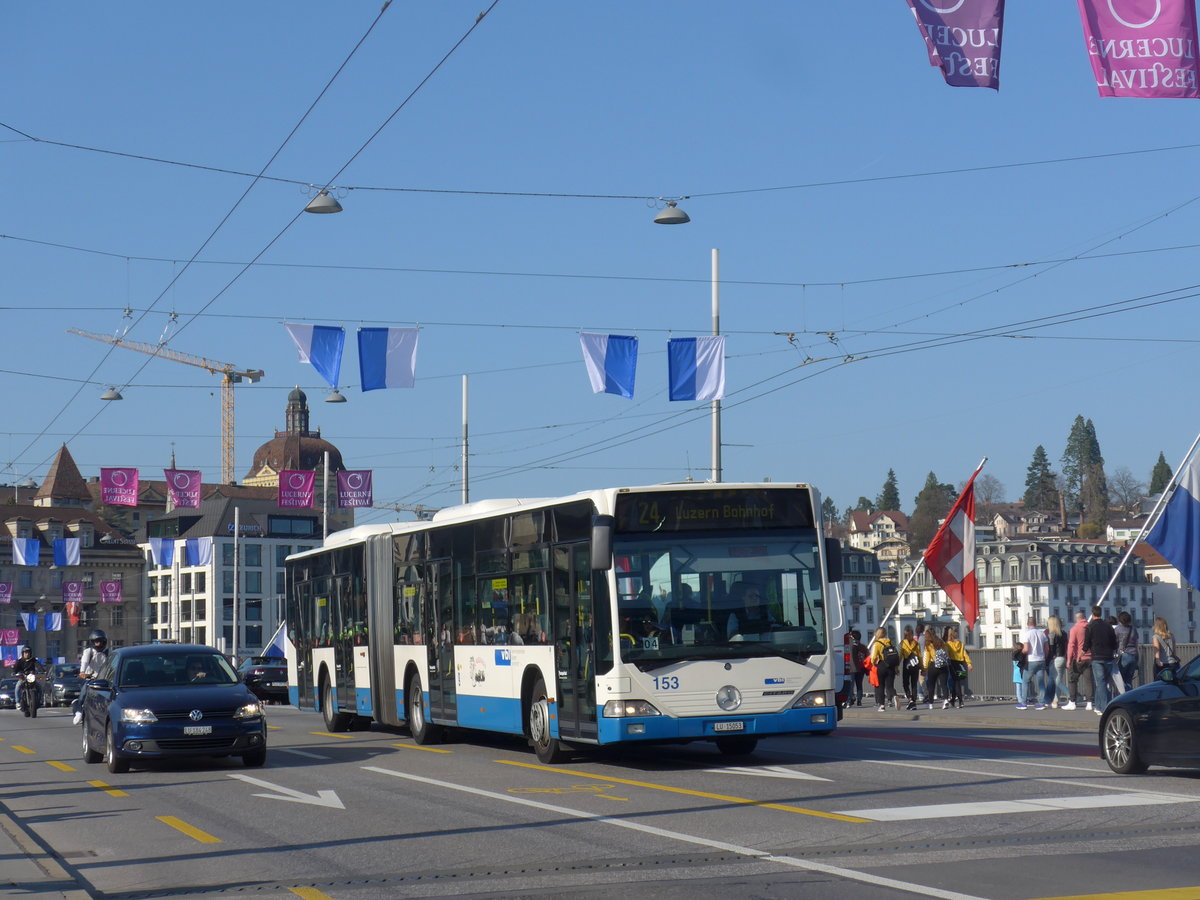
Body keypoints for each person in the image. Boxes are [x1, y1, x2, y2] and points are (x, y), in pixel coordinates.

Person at [1084, 605, 1117, 716]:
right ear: (1101, 613)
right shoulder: (1108, 626)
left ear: (1092, 614)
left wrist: (1082, 653)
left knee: (1100, 683)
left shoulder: (1090, 626)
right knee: (1103, 682)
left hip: (1097, 657)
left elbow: (1086, 643)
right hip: (1108, 657)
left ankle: (1104, 708)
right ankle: (1098, 706)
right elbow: (1114, 642)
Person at [72, 629, 108, 726]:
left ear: (104, 641)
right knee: (83, 693)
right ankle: (79, 712)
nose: (98, 644)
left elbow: (113, 665)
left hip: (105, 680)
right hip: (91, 678)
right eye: (95, 642)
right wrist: (82, 672)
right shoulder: (89, 651)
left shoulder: (109, 652)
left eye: (100, 641)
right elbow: (84, 662)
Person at [1064, 610, 1093, 711]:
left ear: (1077, 619)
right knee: (1089, 681)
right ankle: (1089, 703)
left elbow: (1071, 645)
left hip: (1078, 658)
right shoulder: (1090, 627)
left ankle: (1072, 702)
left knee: (1073, 680)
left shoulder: (1075, 629)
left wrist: (1068, 660)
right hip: (1090, 657)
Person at [1020, 616, 1049, 711]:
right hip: (1041, 660)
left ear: (1027, 624)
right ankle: (1041, 702)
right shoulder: (1042, 634)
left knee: (1025, 681)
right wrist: (1044, 657)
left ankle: (1023, 702)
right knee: (1041, 682)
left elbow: (1026, 649)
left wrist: (1021, 652)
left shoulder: (1027, 634)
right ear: (1036, 623)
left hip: (1031, 660)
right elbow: (1047, 649)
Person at [869, 627, 900, 711]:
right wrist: (896, 668)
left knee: (881, 686)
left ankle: (882, 705)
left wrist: (874, 663)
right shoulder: (890, 642)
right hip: (891, 666)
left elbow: (873, 658)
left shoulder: (877, 644)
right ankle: (894, 695)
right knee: (890, 686)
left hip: (882, 665)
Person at [943, 625, 972, 709]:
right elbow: (964, 654)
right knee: (957, 681)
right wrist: (969, 664)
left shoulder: (948, 644)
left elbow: (946, 654)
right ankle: (954, 699)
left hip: (952, 663)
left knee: (956, 682)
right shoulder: (961, 644)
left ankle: (959, 700)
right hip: (960, 663)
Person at [1044, 615, 1068, 708]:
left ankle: (1070, 695)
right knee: (1058, 680)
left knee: (1053, 680)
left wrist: (1047, 660)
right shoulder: (1064, 634)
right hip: (1063, 658)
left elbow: (1051, 649)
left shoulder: (1051, 634)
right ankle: (1055, 700)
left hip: (1054, 659)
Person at [923, 630, 949, 709]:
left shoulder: (928, 645)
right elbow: (946, 652)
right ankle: (945, 700)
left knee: (931, 685)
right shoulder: (941, 642)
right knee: (944, 684)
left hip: (933, 666)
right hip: (943, 665)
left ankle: (931, 703)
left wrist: (924, 668)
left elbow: (926, 658)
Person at [1114, 611, 1139, 693]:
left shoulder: (1117, 630)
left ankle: (1121, 699)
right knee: (1129, 679)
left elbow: (1115, 642)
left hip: (1124, 655)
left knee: (1121, 679)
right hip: (1134, 654)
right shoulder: (1133, 629)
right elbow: (1136, 642)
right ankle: (1129, 697)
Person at [13, 647, 41, 714]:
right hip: (23, 677)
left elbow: (39, 666)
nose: (27, 654)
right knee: (18, 686)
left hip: (31, 677)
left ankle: (40, 700)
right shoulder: (20, 661)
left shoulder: (33, 660)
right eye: (25, 653)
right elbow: (15, 669)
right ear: (23, 653)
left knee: (39, 687)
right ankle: (17, 702)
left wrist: (41, 671)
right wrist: (15, 673)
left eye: (28, 652)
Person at [900, 625, 922, 710]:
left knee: (905, 683)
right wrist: (922, 667)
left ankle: (910, 699)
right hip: (915, 665)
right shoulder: (916, 644)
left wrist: (896, 666)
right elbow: (920, 656)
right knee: (914, 684)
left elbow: (900, 655)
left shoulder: (903, 643)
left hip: (906, 664)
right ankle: (914, 702)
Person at [847, 629, 868, 706]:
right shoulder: (863, 647)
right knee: (859, 684)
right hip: (861, 668)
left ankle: (850, 699)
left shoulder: (851, 646)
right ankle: (859, 700)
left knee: (851, 684)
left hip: (852, 668)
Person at [1012, 637, 1027, 707]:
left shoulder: (1013, 655)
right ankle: (1024, 698)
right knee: (1024, 685)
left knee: (1018, 687)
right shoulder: (1021, 655)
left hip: (1016, 672)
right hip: (1021, 671)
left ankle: (1020, 699)